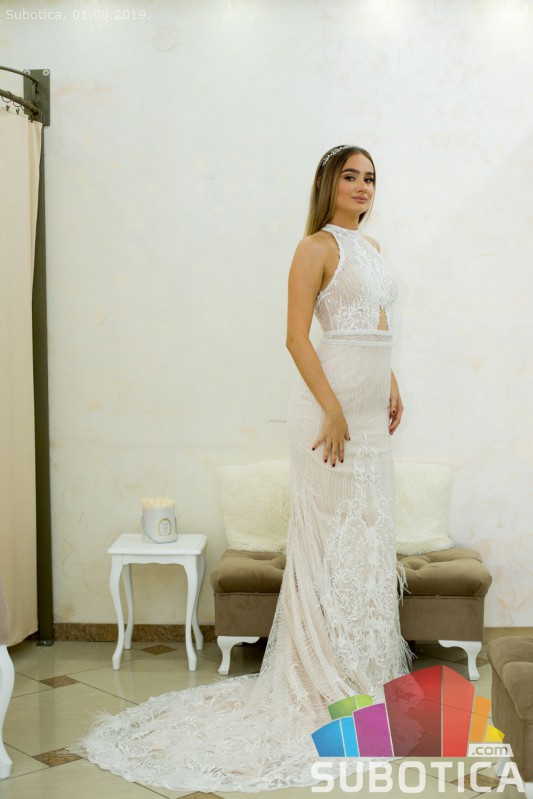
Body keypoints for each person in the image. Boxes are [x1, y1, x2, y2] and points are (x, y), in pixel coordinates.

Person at [74, 144, 413, 793]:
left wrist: (391, 382)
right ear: (328, 183)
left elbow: (375, 325)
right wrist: (332, 409)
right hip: (330, 414)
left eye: (370, 177)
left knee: (368, 546)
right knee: (329, 546)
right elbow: (296, 336)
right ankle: (321, 680)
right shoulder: (314, 247)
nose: (363, 186)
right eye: (350, 176)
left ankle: (364, 676)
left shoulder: (373, 249)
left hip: (371, 418)